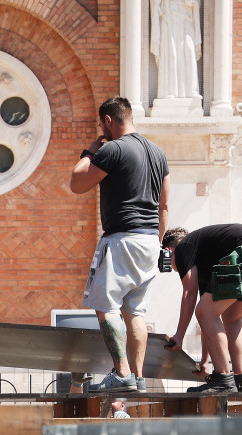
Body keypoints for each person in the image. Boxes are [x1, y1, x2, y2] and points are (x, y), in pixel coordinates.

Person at [70, 96, 170, 394]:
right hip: (150, 240)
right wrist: (157, 242)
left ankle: (122, 373)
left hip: (122, 238)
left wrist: (90, 152)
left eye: (102, 125)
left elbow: (77, 182)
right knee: (135, 312)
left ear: (108, 121)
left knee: (106, 307)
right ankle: (137, 378)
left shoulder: (113, 149)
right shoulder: (158, 153)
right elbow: (164, 206)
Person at [163, 223, 242, 394]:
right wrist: (204, 361)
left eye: (167, 261)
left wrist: (179, 336)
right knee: (230, 316)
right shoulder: (203, 259)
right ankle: (241, 381)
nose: (173, 268)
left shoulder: (183, 248)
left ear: (169, 251)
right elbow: (208, 321)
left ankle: (223, 380)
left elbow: (189, 294)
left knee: (205, 312)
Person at [151, 0, 202, 99]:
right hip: (169, 17)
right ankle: (169, 91)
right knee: (170, 54)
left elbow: (195, 3)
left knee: (189, 51)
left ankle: (191, 89)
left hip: (186, 18)